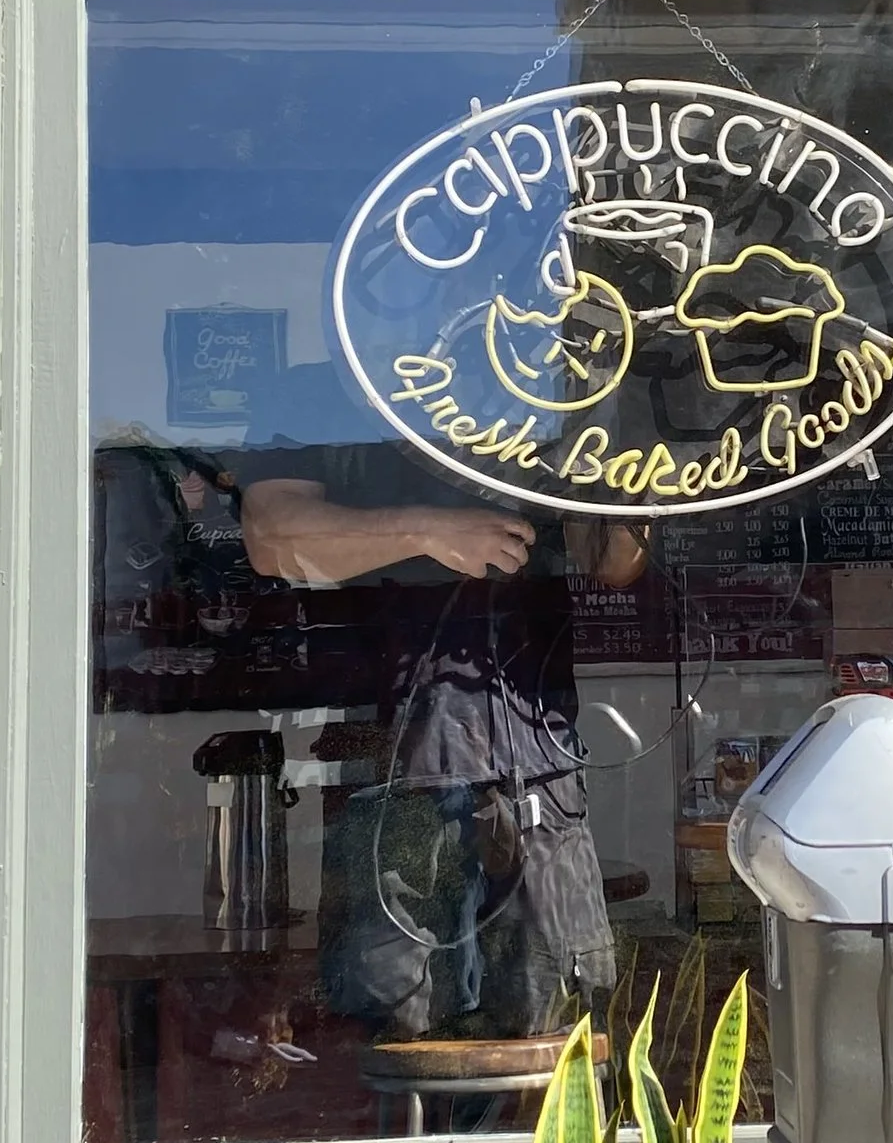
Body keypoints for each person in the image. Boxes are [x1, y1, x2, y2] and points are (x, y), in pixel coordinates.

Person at [237, 446, 647, 1044]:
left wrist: (639, 457)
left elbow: (612, 560)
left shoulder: (550, 400)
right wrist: (427, 530)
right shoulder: (346, 398)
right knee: (393, 1033)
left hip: (537, 781)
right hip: (393, 780)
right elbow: (269, 534)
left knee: (556, 1037)